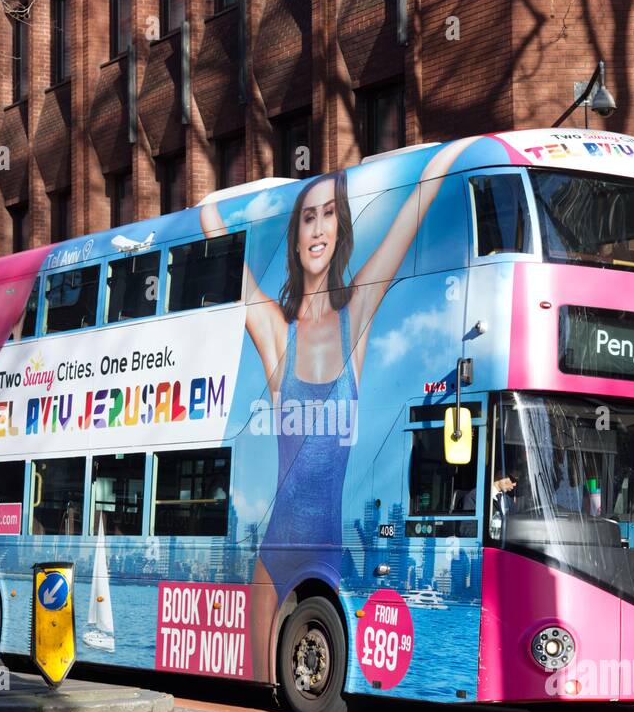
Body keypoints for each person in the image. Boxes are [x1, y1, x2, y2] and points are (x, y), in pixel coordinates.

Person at [200, 136, 479, 680]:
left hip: (332, 557)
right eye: (307, 217)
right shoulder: (276, 333)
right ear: (295, 233)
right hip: (271, 560)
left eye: (330, 214)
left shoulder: (360, 312)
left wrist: (461, 151)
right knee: (262, 688)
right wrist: (227, 201)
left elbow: (418, 204)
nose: (319, 227)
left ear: (341, 229)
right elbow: (212, 231)